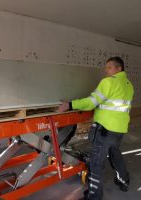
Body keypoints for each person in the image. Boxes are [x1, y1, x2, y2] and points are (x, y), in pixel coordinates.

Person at [57, 56, 134, 200]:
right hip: (119, 130)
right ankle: (124, 182)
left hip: (105, 129)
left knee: (96, 163)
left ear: (119, 68)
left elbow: (91, 102)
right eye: (106, 68)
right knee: (115, 155)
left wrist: (70, 104)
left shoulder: (108, 82)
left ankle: (94, 197)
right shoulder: (129, 85)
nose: (106, 71)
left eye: (109, 68)